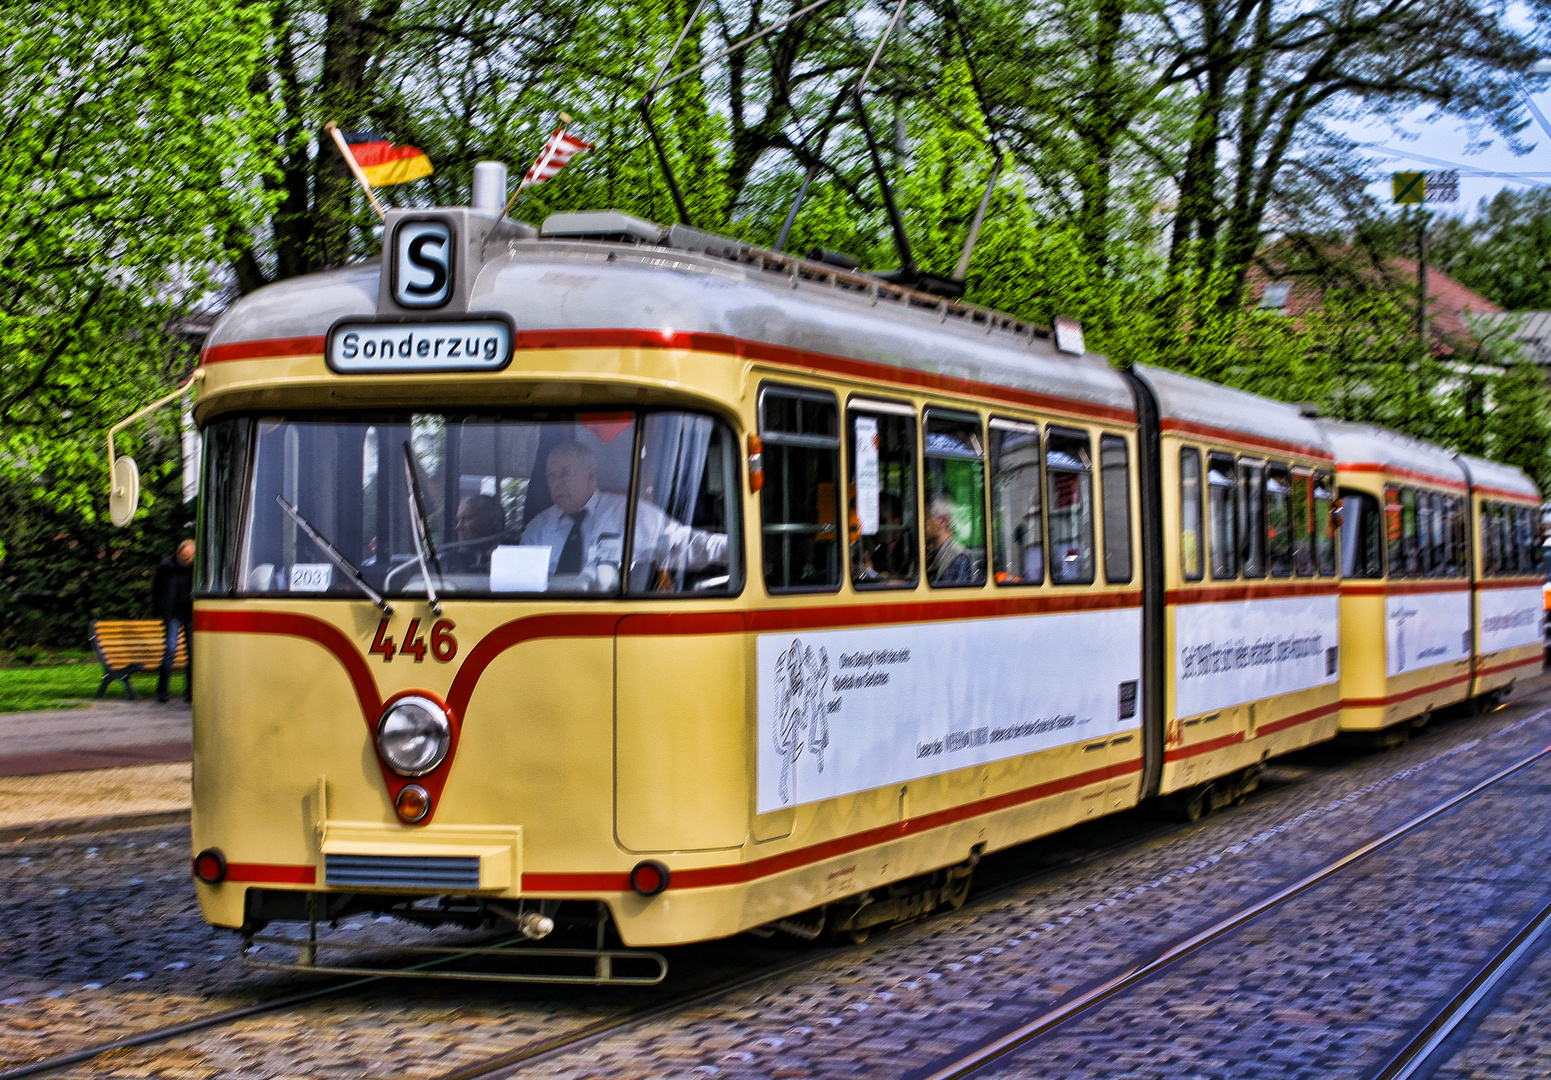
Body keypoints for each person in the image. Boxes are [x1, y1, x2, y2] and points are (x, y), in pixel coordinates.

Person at [522, 441, 727, 588]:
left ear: (591, 477)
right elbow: (521, 583)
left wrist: (738, 549)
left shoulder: (632, 516)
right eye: (551, 476)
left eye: (565, 473)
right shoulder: (537, 529)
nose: (556, 483)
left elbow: (687, 545)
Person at [152, 539, 194, 703]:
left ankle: (190, 691)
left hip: (190, 614)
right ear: (178, 554)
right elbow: (157, 588)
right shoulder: (167, 566)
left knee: (193, 654)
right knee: (170, 650)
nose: (187, 562)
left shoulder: (195, 566)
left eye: (189, 558)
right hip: (173, 614)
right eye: (184, 558)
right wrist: (158, 609)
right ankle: (162, 691)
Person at [445, 494, 507, 572]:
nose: (458, 527)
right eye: (458, 520)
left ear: (490, 521)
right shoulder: (452, 561)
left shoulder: (512, 556)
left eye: (466, 518)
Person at [925, 495, 976, 586]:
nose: (921, 525)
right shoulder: (927, 553)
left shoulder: (958, 558)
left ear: (942, 521)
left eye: (925, 519)